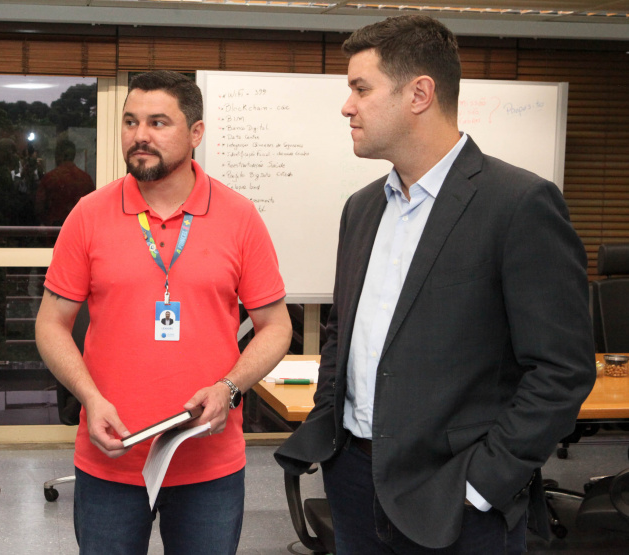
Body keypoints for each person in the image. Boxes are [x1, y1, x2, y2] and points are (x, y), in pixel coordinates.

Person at [275, 15, 595, 554]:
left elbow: (562, 370)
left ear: (419, 93)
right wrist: (329, 427)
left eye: (361, 88)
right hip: (353, 480)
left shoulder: (518, 204)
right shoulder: (361, 209)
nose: (346, 106)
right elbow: (341, 335)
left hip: (455, 496)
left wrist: (481, 486)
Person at [35, 70, 292, 555]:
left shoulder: (239, 217)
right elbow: (50, 324)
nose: (140, 136)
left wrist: (230, 388)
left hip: (208, 463)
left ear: (196, 133)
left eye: (158, 122)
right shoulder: (88, 214)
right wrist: (89, 397)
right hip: (111, 458)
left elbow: (276, 327)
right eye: (130, 122)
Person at [35, 137, 96, 226]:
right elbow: (93, 209)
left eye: (56, 155)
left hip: (54, 232)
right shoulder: (86, 179)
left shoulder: (50, 178)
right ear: (73, 156)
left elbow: (39, 208)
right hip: (78, 231)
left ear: (60, 156)